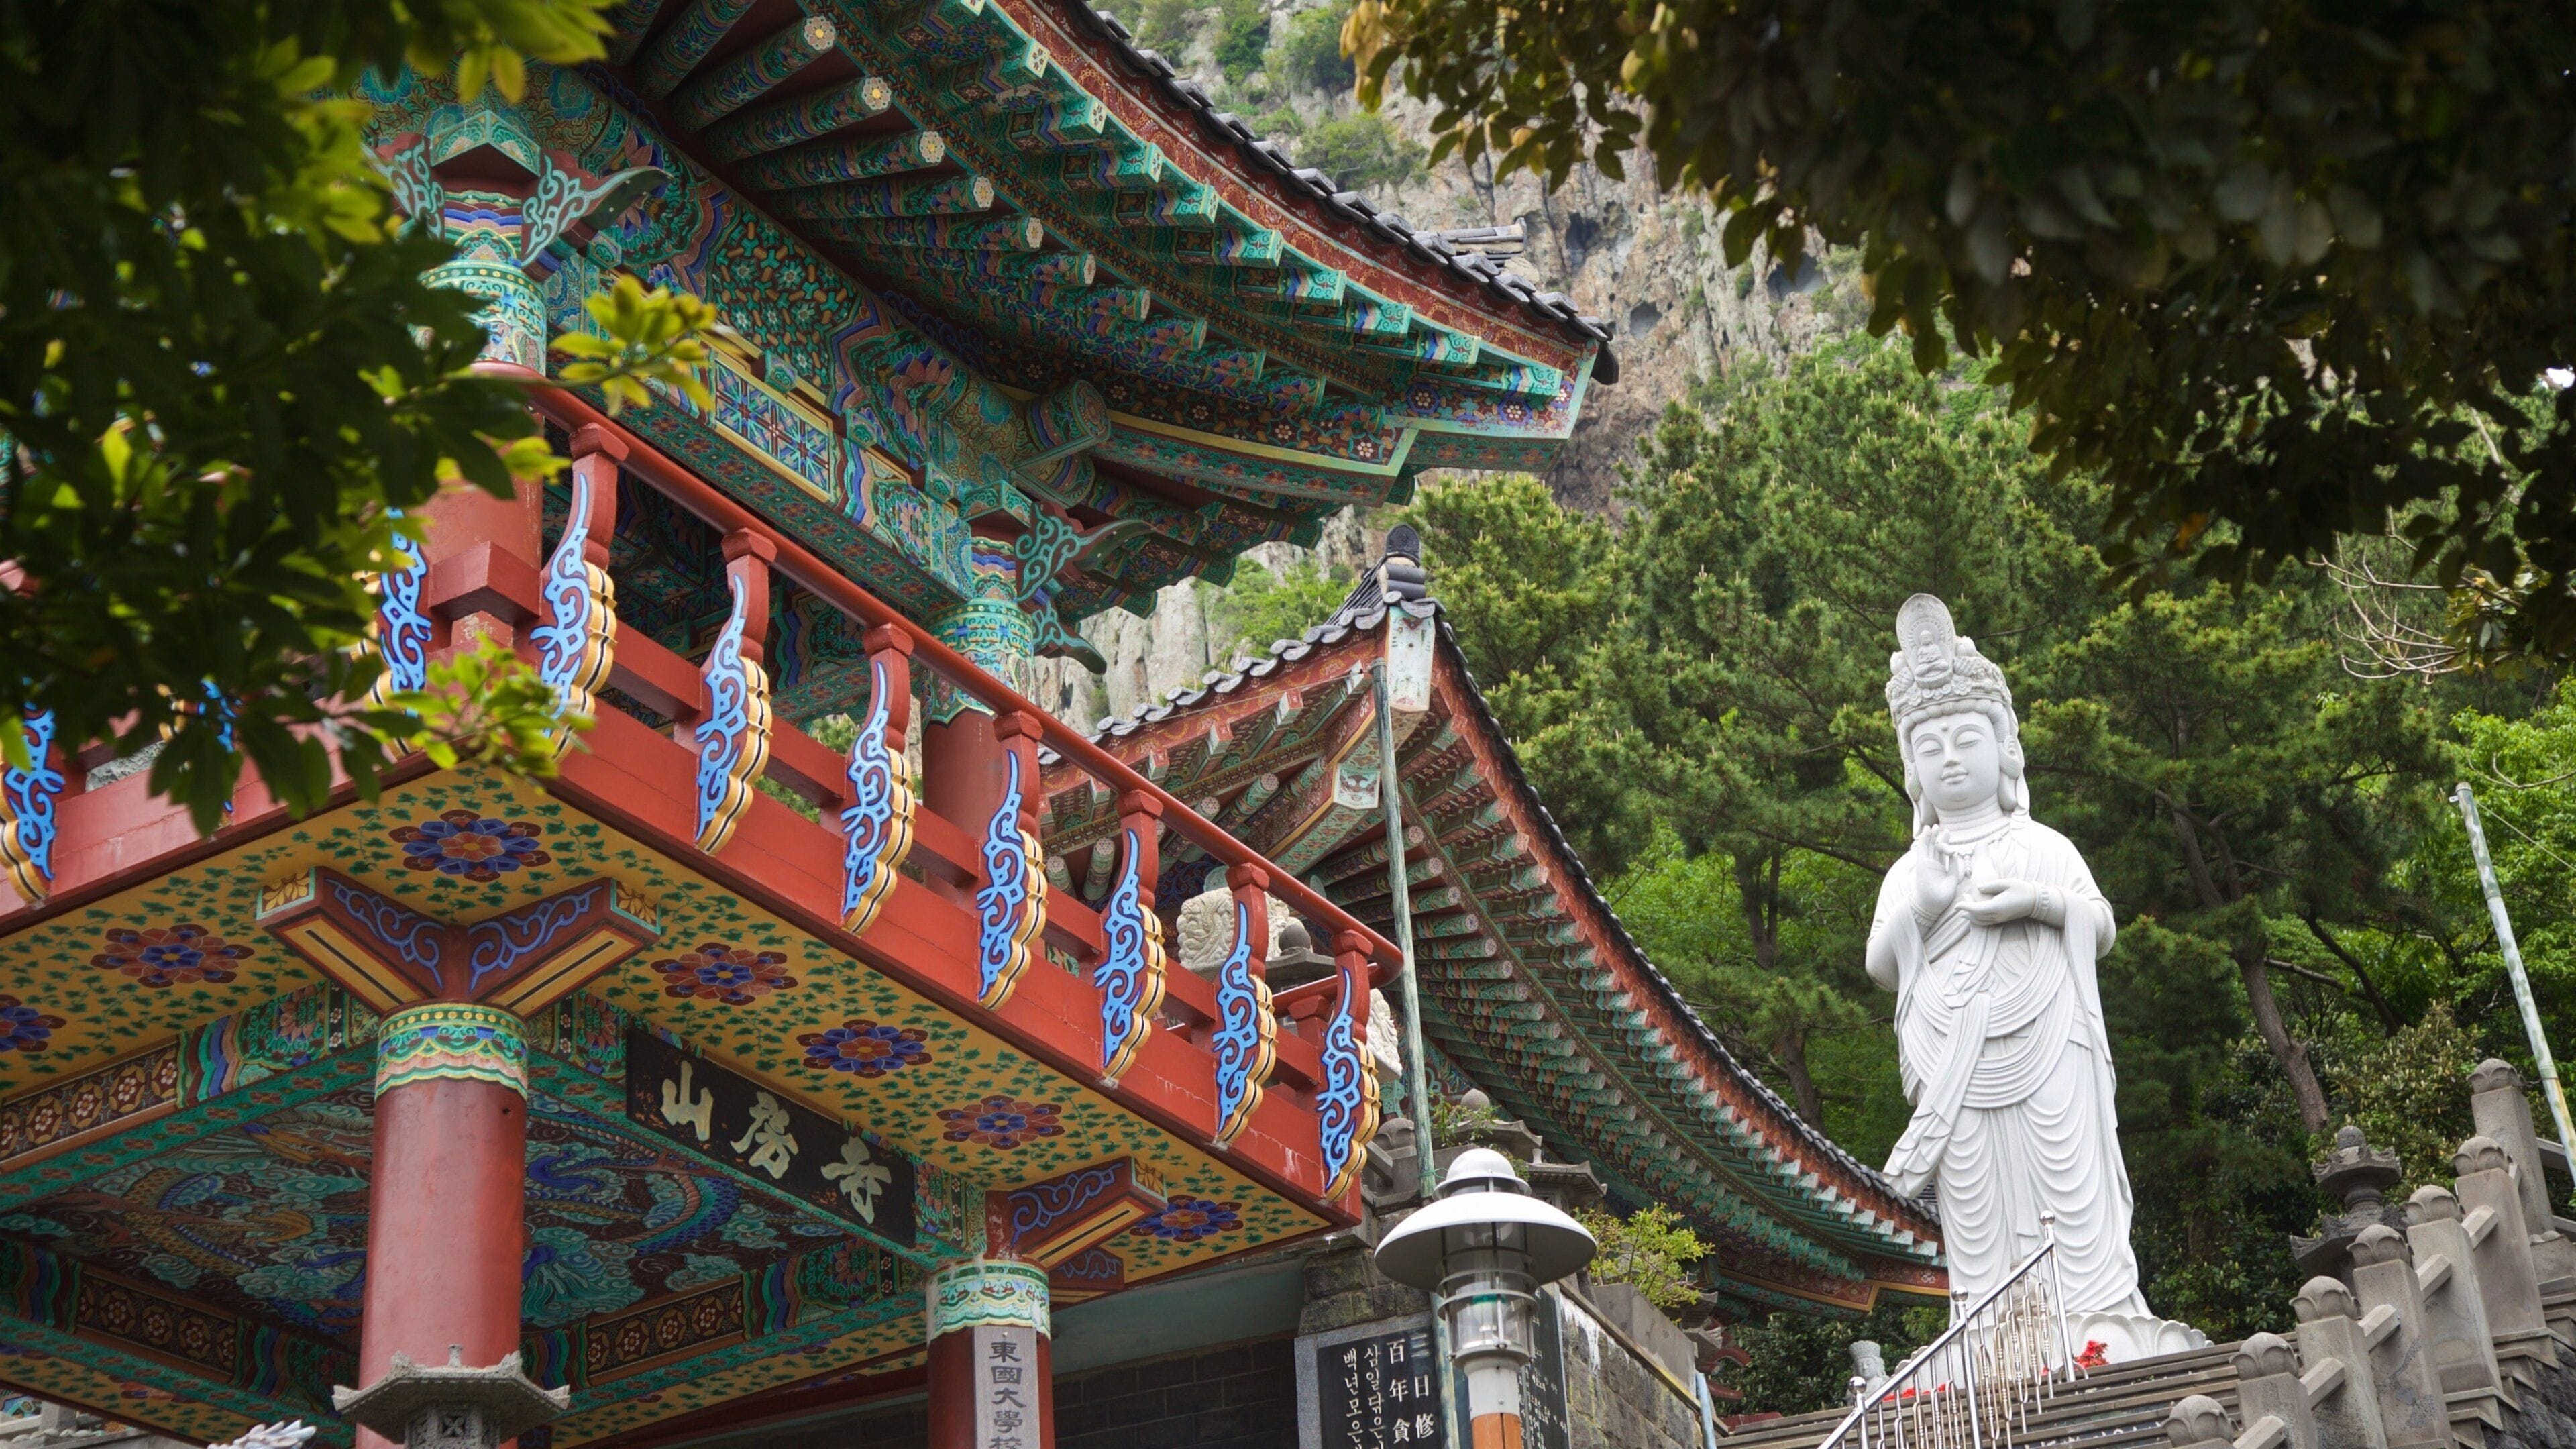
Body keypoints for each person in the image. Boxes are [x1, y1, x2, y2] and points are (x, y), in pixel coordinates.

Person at [1865, 595, 2196, 1360]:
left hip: (2048, 1046)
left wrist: (2039, 904)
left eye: (1966, 738)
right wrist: (1926, 906)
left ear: (2006, 749)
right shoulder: (1910, 869)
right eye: (1931, 746)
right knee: (1976, 1200)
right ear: (1911, 768)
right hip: (1954, 1062)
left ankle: (2097, 1314)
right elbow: (1882, 968)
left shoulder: (2044, 843)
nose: (1950, 757)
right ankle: (1987, 1331)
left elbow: (2100, 924)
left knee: (2067, 1176)